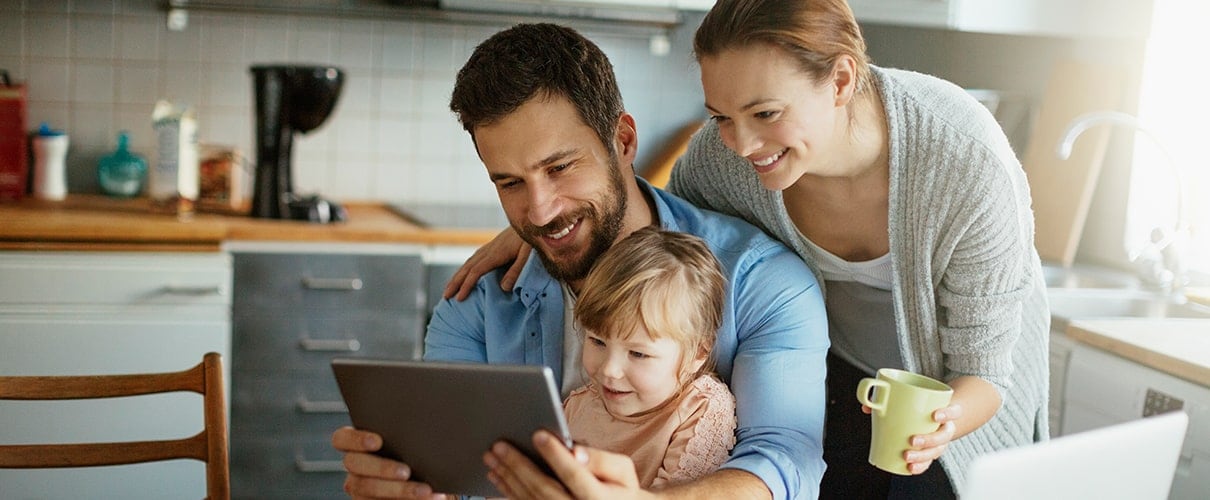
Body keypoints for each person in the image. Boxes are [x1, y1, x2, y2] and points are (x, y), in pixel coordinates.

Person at [445, 0, 1051, 498]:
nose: (741, 143)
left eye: (764, 112)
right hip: (842, 374)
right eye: (721, 117)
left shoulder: (963, 164)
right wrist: (541, 225)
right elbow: (663, 236)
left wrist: (935, 424)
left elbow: (985, 372)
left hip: (954, 391)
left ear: (840, 80)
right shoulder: (725, 155)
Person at [331, 22, 831, 500]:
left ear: (624, 141)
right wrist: (416, 485)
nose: (541, 210)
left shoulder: (763, 282)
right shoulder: (476, 307)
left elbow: (785, 465)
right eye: (510, 183)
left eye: (560, 167)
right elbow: (458, 472)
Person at [567, 226, 737, 488]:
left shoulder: (699, 409)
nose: (610, 370)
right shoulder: (577, 406)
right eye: (597, 341)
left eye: (638, 353)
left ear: (699, 353)